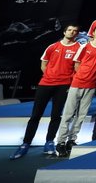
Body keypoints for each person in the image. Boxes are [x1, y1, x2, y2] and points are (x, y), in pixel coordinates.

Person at [11, 24, 80, 159]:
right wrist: (50, 75)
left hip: (64, 85)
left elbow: (77, 67)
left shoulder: (78, 48)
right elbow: (44, 63)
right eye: (70, 30)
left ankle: (49, 142)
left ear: (77, 34)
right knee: (36, 115)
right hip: (46, 84)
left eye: (75, 31)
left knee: (56, 116)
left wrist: (65, 79)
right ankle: (25, 144)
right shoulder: (53, 46)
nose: (72, 32)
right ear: (65, 32)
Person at [54, 24, 96, 156]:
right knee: (68, 114)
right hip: (77, 83)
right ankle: (60, 142)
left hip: (91, 86)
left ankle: (71, 140)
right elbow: (76, 63)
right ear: (93, 32)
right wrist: (82, 76)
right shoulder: (84, 46)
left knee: (81, 115)